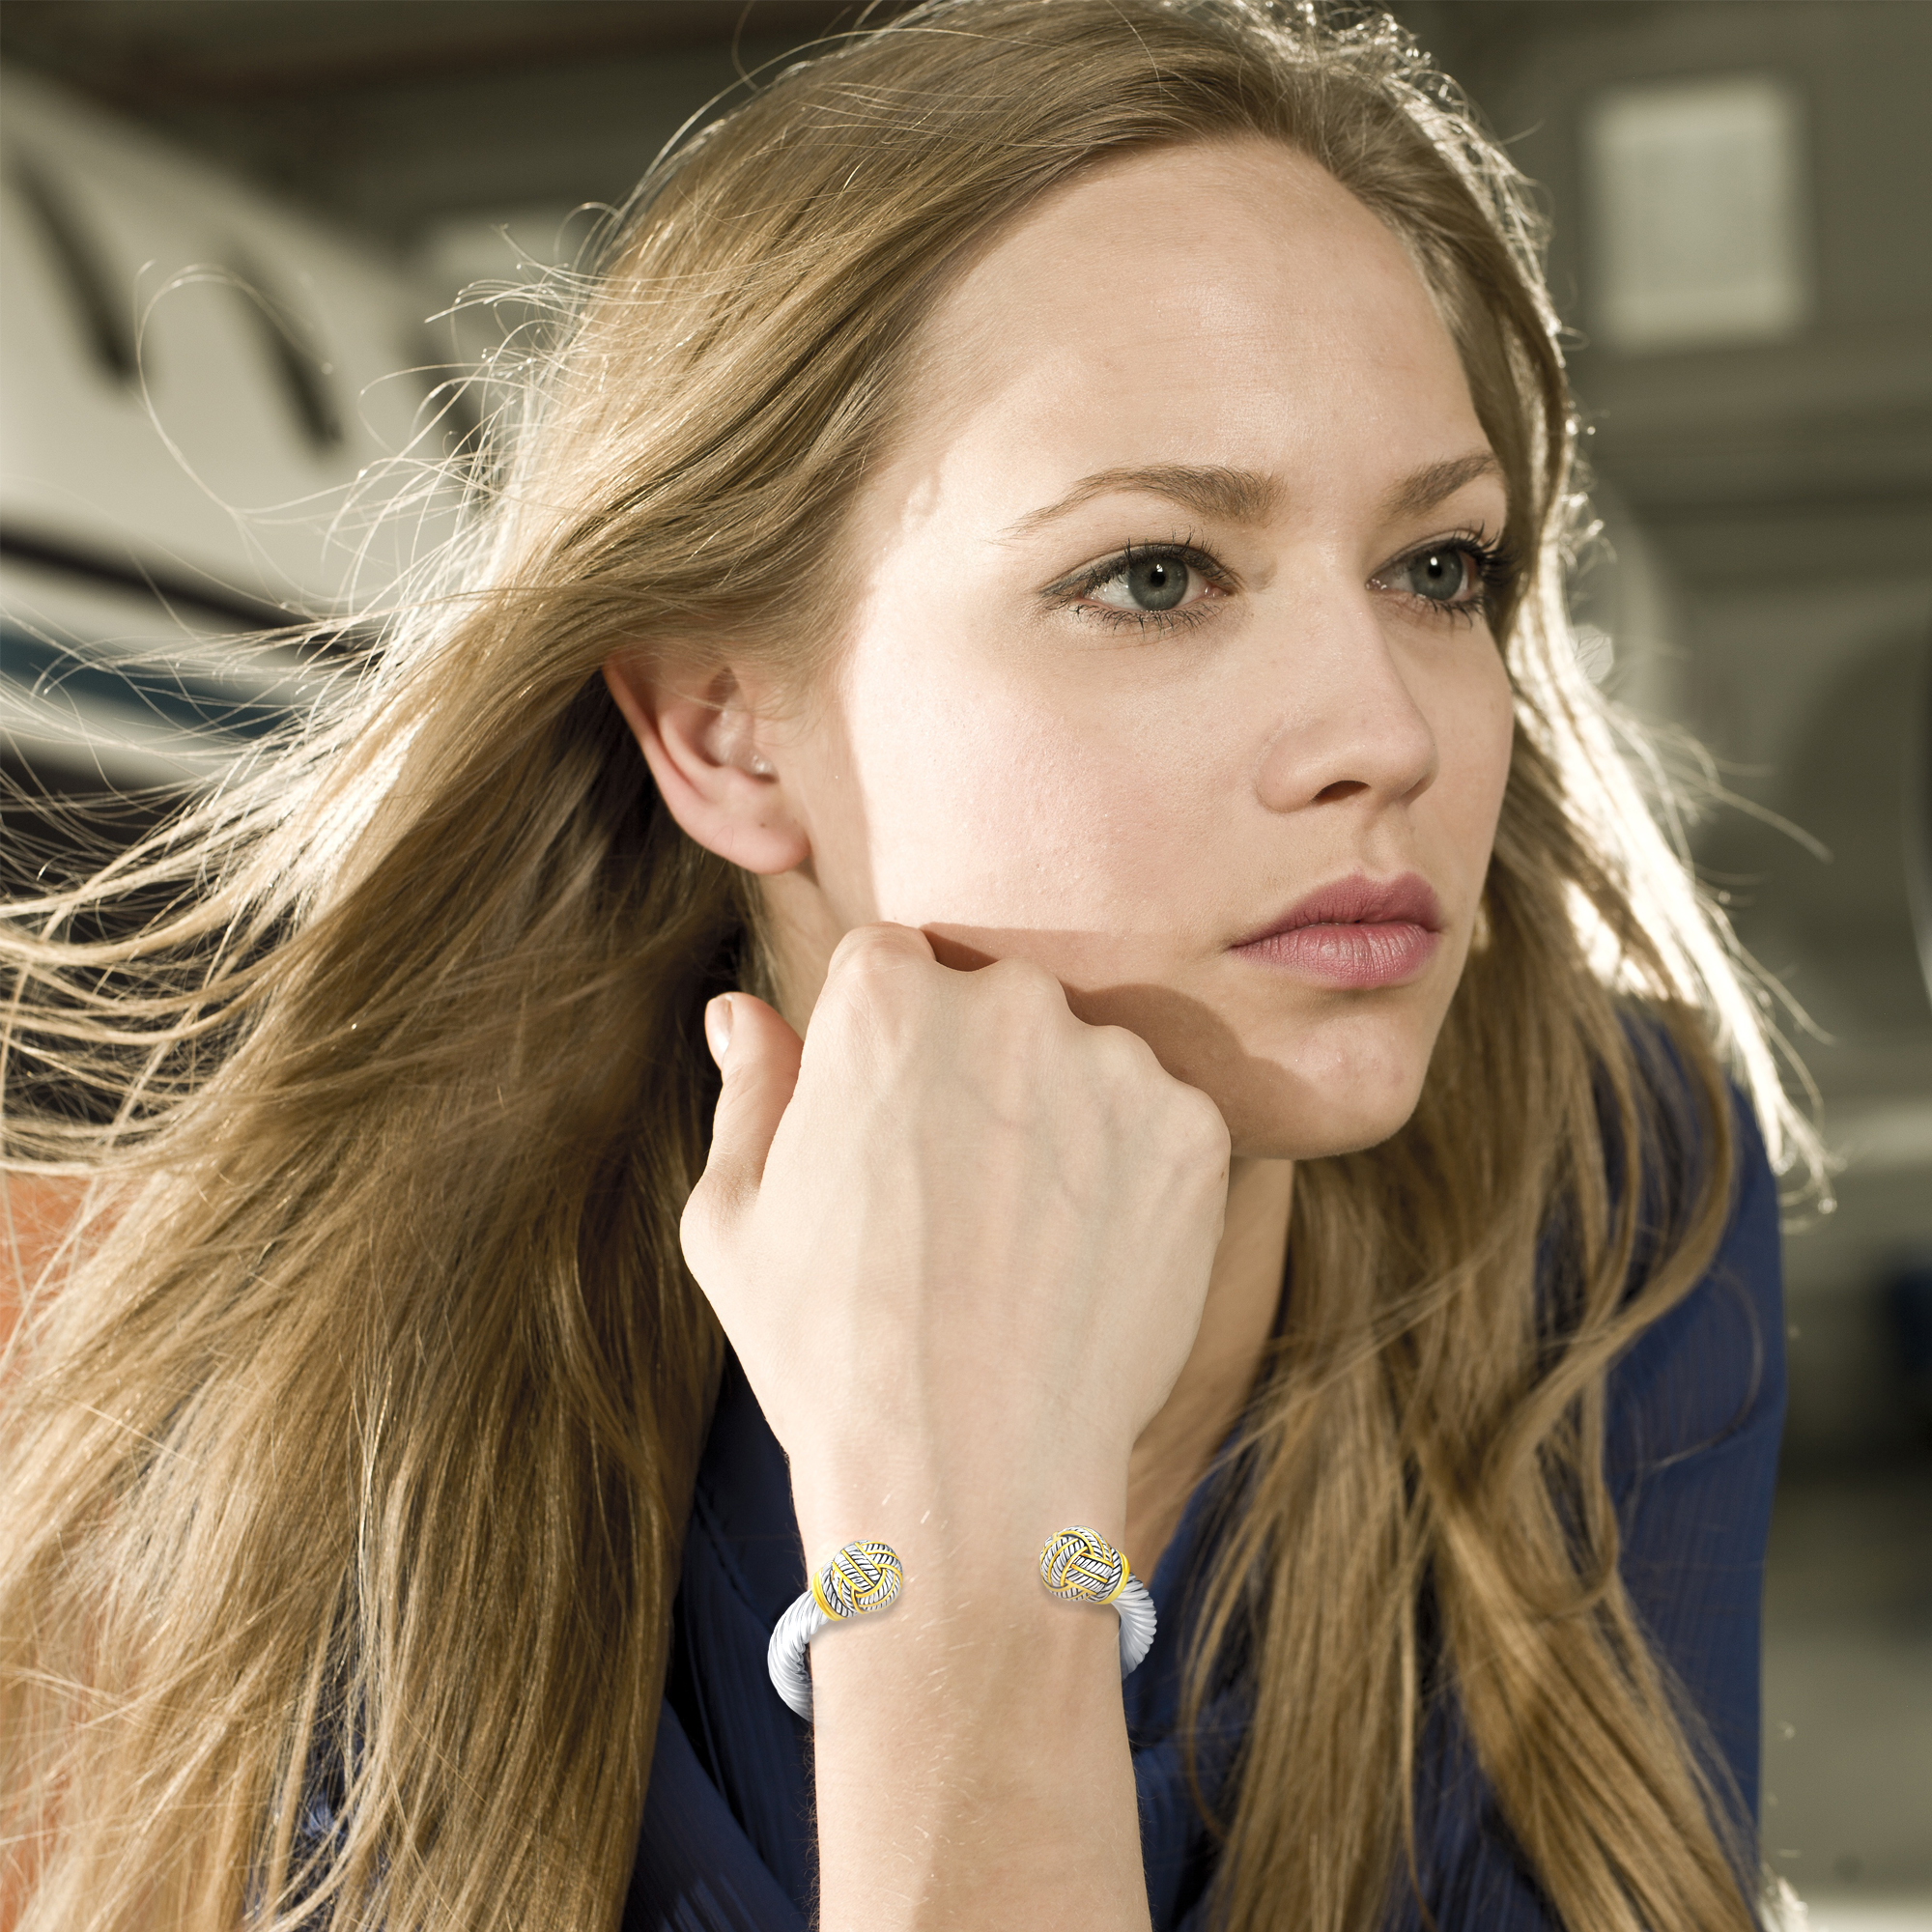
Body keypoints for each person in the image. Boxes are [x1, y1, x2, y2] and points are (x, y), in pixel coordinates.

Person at [0, 3, 1818, 1927]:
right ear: (725, 732)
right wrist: (959, 1567)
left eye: (1437, 568)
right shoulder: (402, 1381)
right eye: (1154, 576)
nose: (1386, 732)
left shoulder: (1602, 1177)